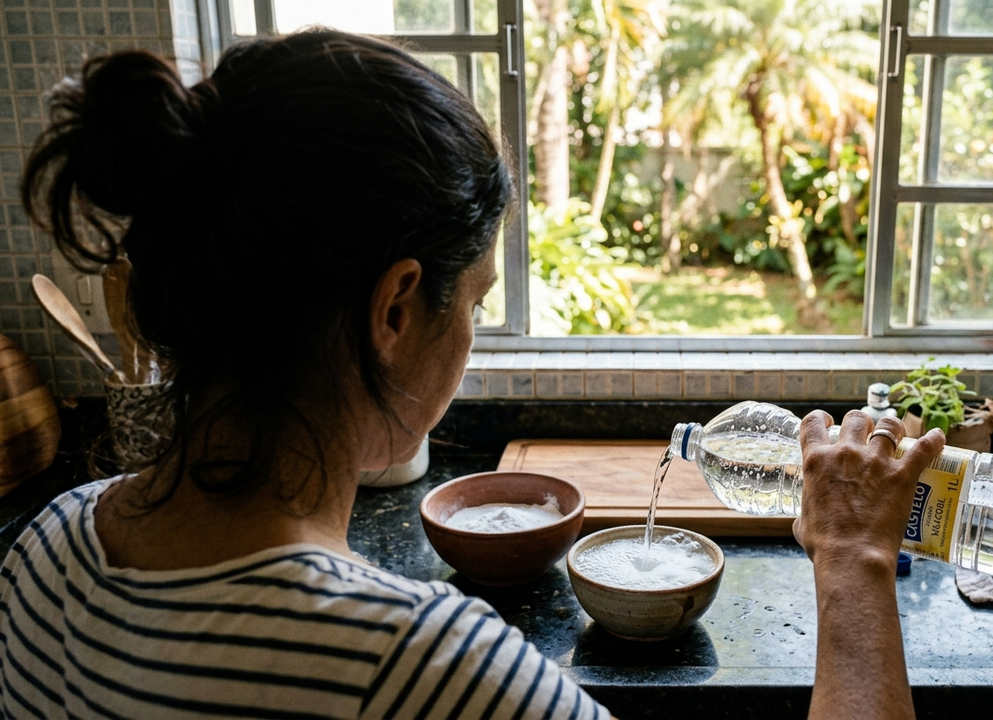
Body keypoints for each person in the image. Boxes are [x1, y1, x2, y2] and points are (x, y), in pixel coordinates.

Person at [1, 29, 944, 719]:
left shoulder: (41, 555)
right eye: (478, 301)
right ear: (396, 310)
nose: (475, 334)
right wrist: (857, 561)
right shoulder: (429, 672)